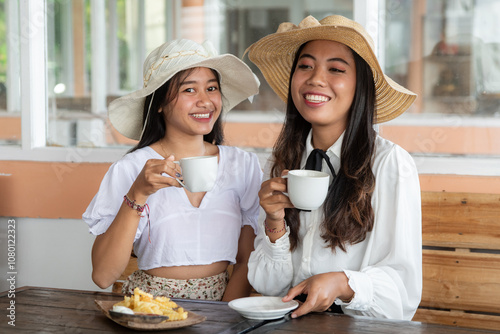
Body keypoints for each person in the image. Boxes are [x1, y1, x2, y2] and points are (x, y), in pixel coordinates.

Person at [245, 15, 422, 319]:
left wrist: (343, 284)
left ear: (360, 86)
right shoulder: (282, 161)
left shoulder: (389, 163)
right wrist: (274, 221)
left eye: (336, 69)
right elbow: (270, 287)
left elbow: (402, 295)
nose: (315, 78)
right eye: (305, 66)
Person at [83, 39, 262, 301]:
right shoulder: (131, 169)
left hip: (224, 306)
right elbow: (103, 276)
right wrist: (137, 193)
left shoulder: (242, 166)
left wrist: (223, 317)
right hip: (150, 309)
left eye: (211, 88)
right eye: (189, 90)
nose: (205, 101)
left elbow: (247, 261)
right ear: (159, 103)